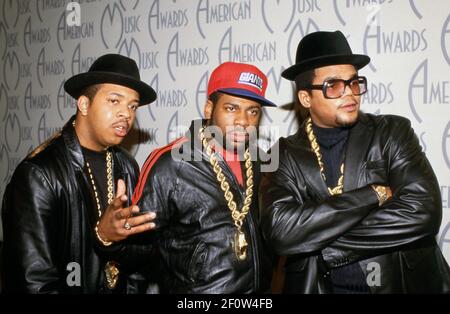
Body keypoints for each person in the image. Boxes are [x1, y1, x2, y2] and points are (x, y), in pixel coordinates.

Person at [260, 30, 450, 294]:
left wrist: (330, 248)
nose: (350, 93)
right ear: (305, 98)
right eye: (334, 85)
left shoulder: (392, 132)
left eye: (354, 82)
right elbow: (280, 230)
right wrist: (372, 195)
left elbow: (423, 210)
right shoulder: (277, 155)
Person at [1, 54, 157, 293]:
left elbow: (139, 263)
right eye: (114, 101)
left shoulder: (127, 166)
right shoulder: (39, 174)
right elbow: (33, 282)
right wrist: (102, 235)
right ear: (84, 104)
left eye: (132, 106)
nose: (126, 113)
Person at [123, 61, 275, 293]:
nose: (243, 121)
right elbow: (135, 256)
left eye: (253, 111)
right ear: (208, 109)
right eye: (232, 108)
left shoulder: (260, 162)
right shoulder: (172, 163)